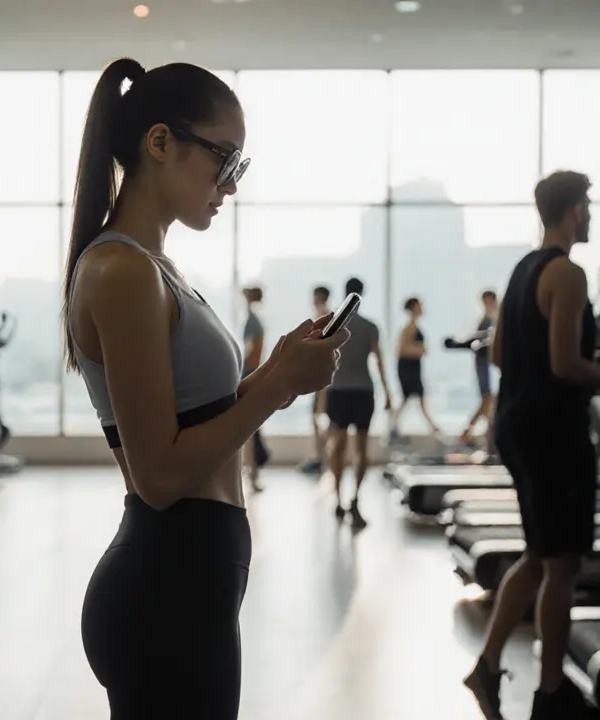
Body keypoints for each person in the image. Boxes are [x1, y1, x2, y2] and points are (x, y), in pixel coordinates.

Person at [65, 58, 348, 719]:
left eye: (238, 168)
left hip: (191, 575)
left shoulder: (153, 267)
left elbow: (190, 420)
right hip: (167, 581)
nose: (230, 185)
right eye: (225, 160)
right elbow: (159, 474)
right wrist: (275, 387)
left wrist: (274, 369)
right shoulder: (119, 270)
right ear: (160, 143)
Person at [463, 171, 600, 720]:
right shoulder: (569, 273)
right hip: (554, 432)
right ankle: (551, 692)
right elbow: (563, 365)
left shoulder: (524, 269)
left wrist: (590, 365)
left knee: (538, 555)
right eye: (590, 205)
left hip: (517, 424)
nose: (593, 214)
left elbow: (503, 354)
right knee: (562, 566)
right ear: (575, 210)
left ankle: (485, 668)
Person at [326, 277, 392, 530]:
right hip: (363, 391)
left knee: (339, 445)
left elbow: (325, 360)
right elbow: (379, 361)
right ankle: (354, 499)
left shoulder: (334, 325)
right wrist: (387, 392)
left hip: (338, 390)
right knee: (361, 448)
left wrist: (321, 396)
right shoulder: (370, 326)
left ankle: (338, 498)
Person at [389, 296, 440, 439]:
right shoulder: (408, 328)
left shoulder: (415, 327)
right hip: (407, 367)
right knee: (412, 396)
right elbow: (400, 350)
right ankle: (395, 427)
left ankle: (395, 426)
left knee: (413, 397)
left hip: (413, 367)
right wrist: (419, 351)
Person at [459, 289, 499, 446]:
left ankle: (480, 434)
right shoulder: (487, 318)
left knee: (489, 400)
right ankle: (468, 433)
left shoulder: (495, 317)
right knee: (487, 399)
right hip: (483, 362)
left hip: (491, 363)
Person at [300, 284, 332, 475]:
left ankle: (323, 458)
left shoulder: (323, 317)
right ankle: (321, 457)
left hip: (322, 377)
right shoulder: (322, 315)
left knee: (320, 417)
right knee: (317, 418)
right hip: (319, 374)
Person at [241, 285, 268, 493]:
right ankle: (252, 474)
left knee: (250, 426)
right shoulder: (255, 320)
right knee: (251, 427)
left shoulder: (252, 321)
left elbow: (250, 347)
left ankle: (252, 474)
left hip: (249, 371)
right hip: (252, 370)